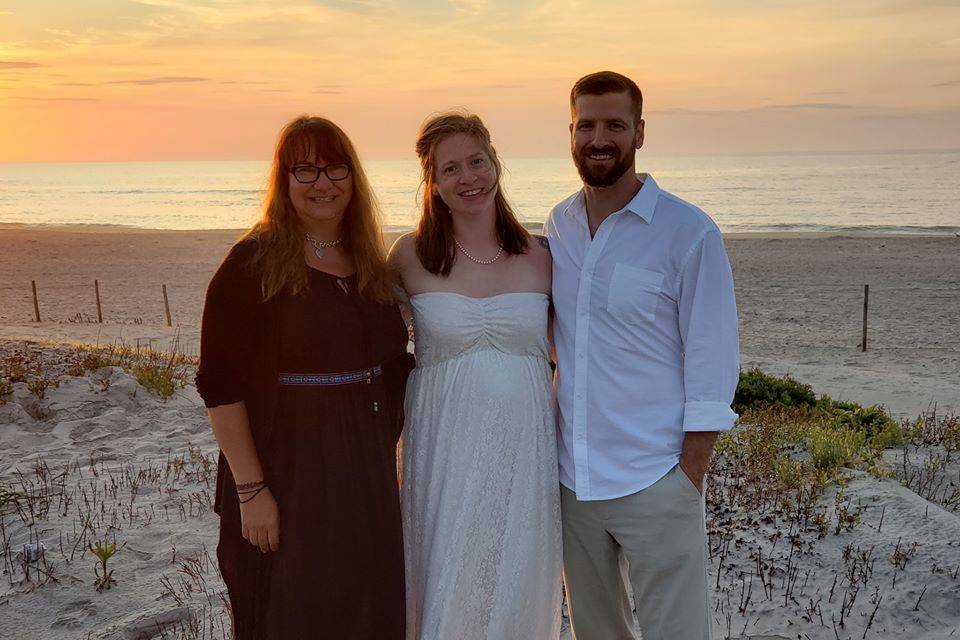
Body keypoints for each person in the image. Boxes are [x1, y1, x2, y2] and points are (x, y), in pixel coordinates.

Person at [196, 115, 414, 639]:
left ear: (353, 177)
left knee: (367, 604)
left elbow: (394, 363)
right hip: (286, 466)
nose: (322, 183)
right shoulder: (251, 263)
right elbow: (219, 385)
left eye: (335, 168)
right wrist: (252, 492)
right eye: (306, 170)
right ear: (284, 180)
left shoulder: (368, 263)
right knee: (294, 609)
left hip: (363, 468)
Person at [544, 71, 739, 640]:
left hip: (656, 477)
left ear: (640, 133)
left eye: (614, 125)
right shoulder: (560, 224)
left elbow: (712, 361)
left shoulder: (689, 232)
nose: (599, 138)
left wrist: (688, 476)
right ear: (571, 132)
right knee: (595, 633)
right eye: (587, 125)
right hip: (573, 480)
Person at [389, 112, 562, 639]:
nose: (469, 178)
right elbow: (376, 348)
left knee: (517, 575)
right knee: (446, 572)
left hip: (525, 445)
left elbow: (579, 351)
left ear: (496, 164)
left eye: (477, 161)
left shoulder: (543, 255)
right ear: (434, 185)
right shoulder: (407, 257)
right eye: (451, 169)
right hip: (443, 443)